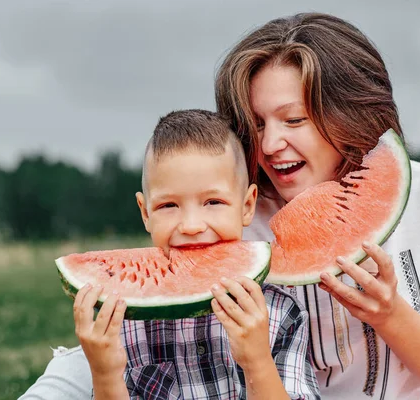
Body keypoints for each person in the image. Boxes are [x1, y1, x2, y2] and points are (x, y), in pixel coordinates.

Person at [19, 12, 420, 400]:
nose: (269, 146)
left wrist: (390, 314)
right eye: (258, 124)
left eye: (294, 120)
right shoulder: (228, 219)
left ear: (347, 111)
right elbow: (149, 312)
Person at [33, 109, 321, 399]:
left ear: (247, 206)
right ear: (145, 213)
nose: (192, 226)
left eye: (213, 201)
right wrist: (105, 374)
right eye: (169, 206)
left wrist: (258, 362)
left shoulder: (281, 313)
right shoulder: (124, 317)